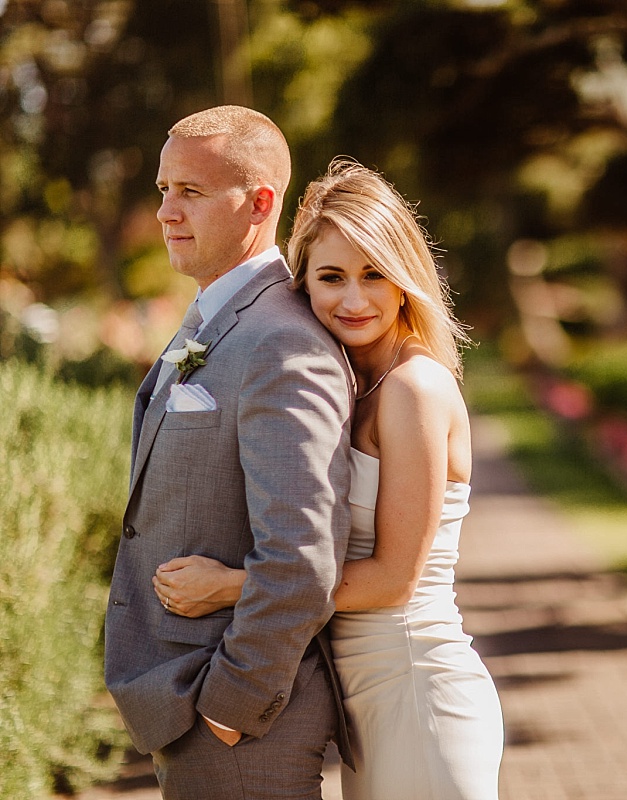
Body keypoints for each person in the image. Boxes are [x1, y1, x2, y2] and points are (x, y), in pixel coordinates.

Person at [153, 158, 505, 800]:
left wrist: (232, 586)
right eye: (331, 276)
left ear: (404, 282)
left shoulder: (414, 388)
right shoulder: (346, 382)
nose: (353, 298)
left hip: (414, 686)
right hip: (363, 697)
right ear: (304, 285)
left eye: (374, 275)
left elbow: (396, 579)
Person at [103, 105, 354, 800]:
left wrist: (229, 706)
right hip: (184, 702)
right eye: (162, 190)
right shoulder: (222, 318)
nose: (165, 212)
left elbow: (302, 556)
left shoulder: (281, 340)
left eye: (191, 191)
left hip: (236, 718)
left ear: (260, 203)